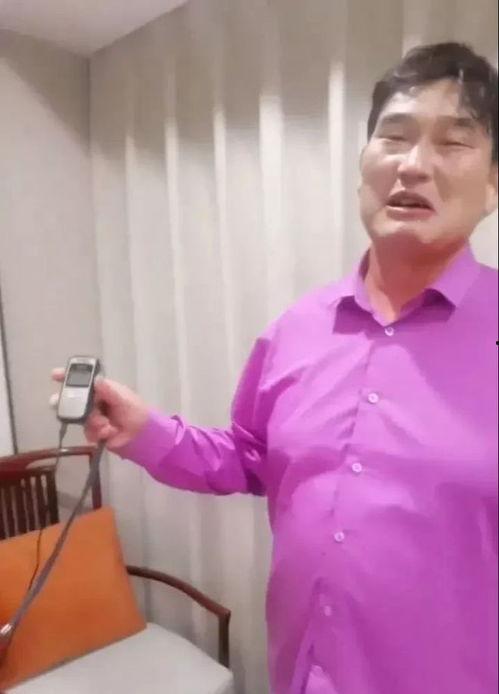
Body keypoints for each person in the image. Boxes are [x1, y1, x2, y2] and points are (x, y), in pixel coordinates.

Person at [53, 42, 498, 694]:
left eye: (453, 142)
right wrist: (144, 431)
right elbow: (249, 457)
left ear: (492, 184)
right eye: (394, 137)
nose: (413, 164)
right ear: (362, 169)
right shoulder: (297, 329)